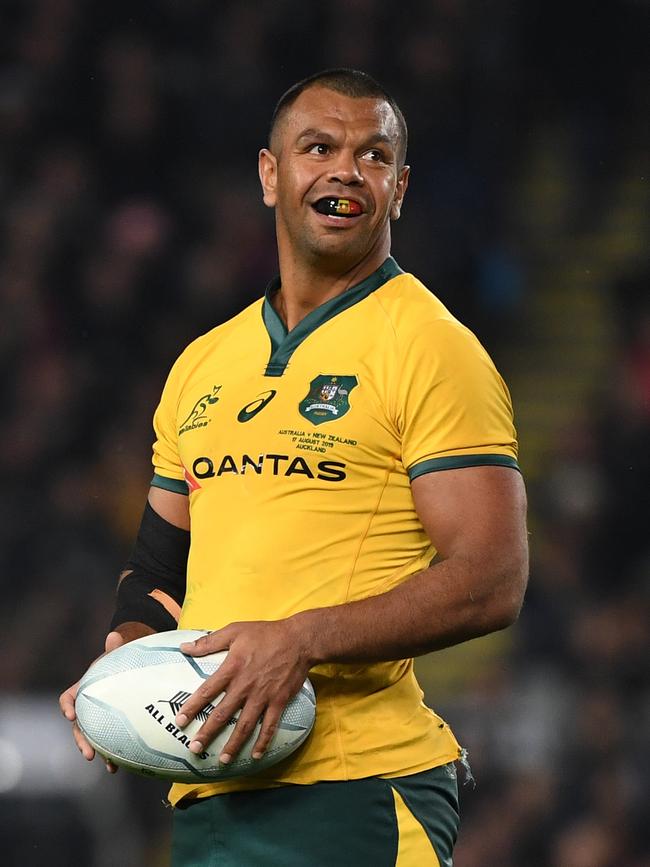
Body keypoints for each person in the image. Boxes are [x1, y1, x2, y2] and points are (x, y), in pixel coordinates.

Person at [60, 68, 528, 867]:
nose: (346, 169)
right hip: (211, 797)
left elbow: (492, 575)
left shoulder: (431, 347)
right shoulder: (201, 366)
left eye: (373, 155)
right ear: (271, 176)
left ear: (400, 187)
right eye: (319, 148)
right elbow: (156, 571)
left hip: (356, 790)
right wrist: (124, 657)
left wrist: (301, 640)